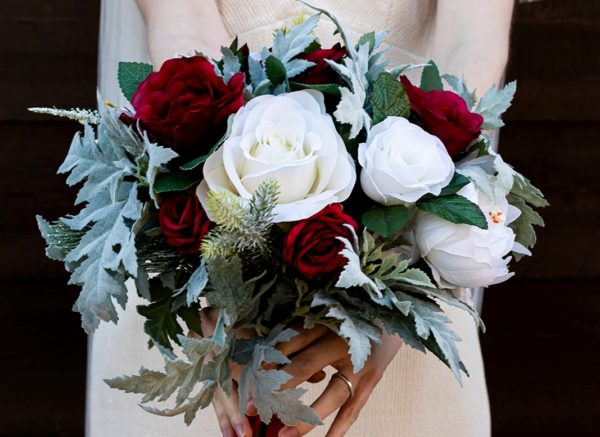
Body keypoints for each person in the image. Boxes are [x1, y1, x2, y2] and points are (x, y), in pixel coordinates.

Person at [89, 1, 514, 436]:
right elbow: (183, 27)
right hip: (201, 286)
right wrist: (220, 277)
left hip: (401, 274)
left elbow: (471, 43)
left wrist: (395, 282)